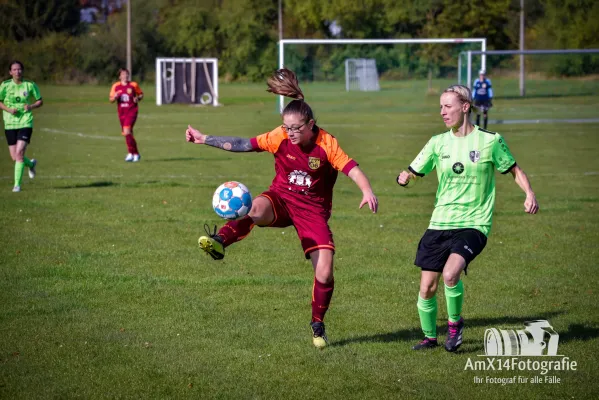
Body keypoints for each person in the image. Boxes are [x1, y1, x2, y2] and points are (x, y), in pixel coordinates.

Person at [186, 68, 379, 349]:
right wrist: (205, 139)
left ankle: (317, 324)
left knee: (324, 272)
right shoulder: (280, 136)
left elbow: (351, 168)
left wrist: (367, 189)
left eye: (296, 129)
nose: (290, 134)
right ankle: (219, 241)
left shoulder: (327, 143)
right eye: (286, 128)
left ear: (311, 124)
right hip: (281, 198)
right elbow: (244, 144)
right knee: (254, 209)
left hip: (312, 212)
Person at [397, 84, 538, 352]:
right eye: (440, 106)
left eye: (447, 106)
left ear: (465, 107)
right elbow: (415, 175)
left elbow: (515, 170)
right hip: (440, 222)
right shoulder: (437, 142)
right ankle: (429, 338)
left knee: (450, 274)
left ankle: (455, 325)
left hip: (474, 223)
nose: (442, 112)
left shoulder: (490, 140)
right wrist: (406, 180)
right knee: (427, 287)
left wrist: (529, 193)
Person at [0, 61, 43, 193]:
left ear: (22, 71)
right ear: (10, 72)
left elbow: (40, 101)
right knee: (15, 157)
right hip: (10, 123)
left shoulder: (29, 85)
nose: (17, 72)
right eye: (14, 69)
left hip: (25, 122)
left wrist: (31, 106)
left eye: (19, 69)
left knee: (19, 153)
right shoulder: (5, 85)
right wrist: (8, 109)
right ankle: (30, 164)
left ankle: (17, 185)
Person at [109, 68, 143, 162]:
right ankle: (134, 153)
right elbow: (111, 99)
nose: (125, 76)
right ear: (120, 76)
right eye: (123, 74)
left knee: (127, 131)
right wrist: (115, 97)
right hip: (122, 113)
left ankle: (132, 153)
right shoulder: (115, 86)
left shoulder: (133, 85)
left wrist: (138, 98)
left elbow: (141, 94)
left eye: (127, 74)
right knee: (127, 134)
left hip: (132, 111)